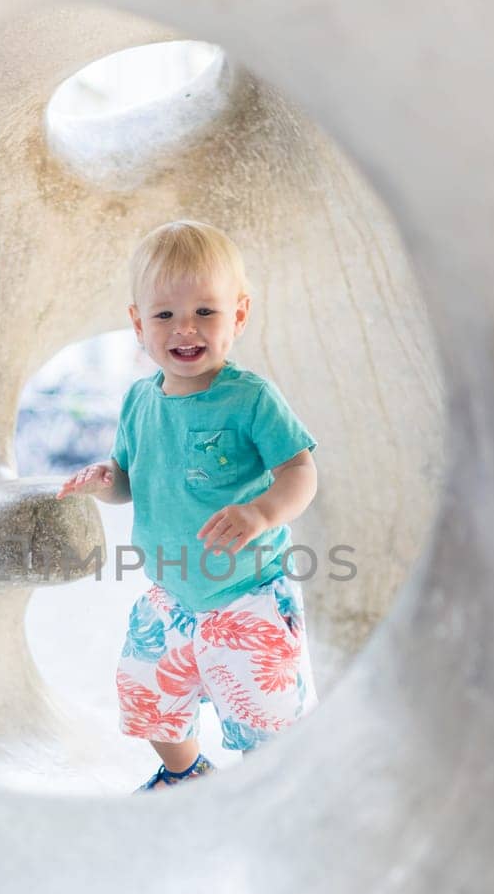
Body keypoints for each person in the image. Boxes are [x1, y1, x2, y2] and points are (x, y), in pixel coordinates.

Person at [56, 219, 319, 792]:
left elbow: (301, 471)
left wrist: (263, 513)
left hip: (246, 594)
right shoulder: (137, 402)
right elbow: (128, 479)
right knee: (146, 691)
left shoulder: (251, 399)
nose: (185, 329)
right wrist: (106, 480)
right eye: (165, 315)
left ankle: (268, 791)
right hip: (168, 591)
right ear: (137, 323)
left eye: (205, 311)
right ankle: (185, 774)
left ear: (239, 316)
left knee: (261, 715)